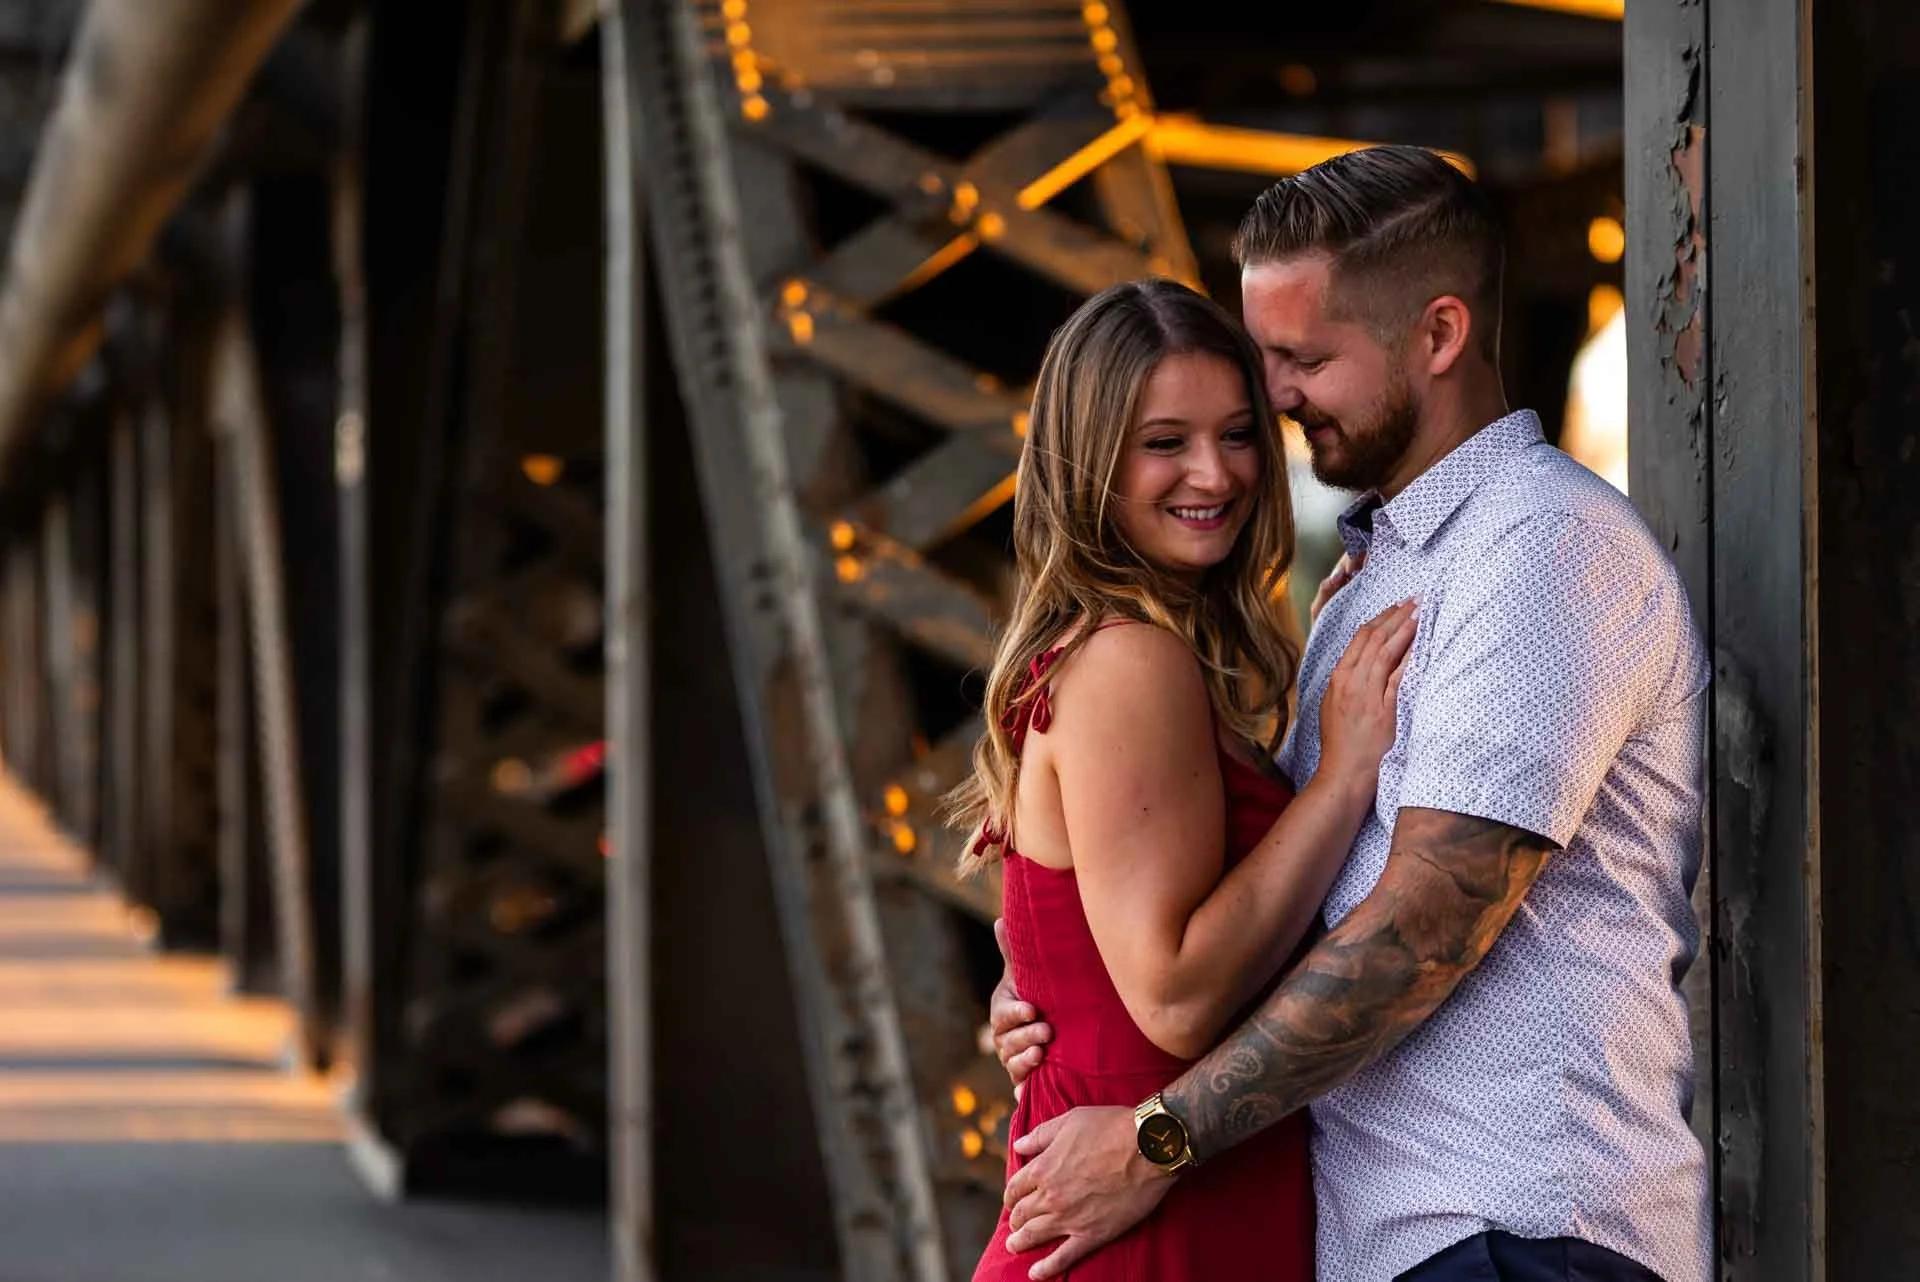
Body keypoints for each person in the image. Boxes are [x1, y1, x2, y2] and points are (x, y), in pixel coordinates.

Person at [989, 145, 1712, 1282]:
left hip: (1513, 1228)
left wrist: (1158, 1134)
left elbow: (1425, 925)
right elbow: (1237, 902)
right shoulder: (1375, 581)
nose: (1273, 401)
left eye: (1303, 359)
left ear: (1437, 336)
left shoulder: (1539, 551)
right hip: (1397, 1240)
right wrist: (1055, 976)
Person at [945, 276, 1418, 1281]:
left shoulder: (1133, 654)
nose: (1216, 471)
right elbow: (1173, 997)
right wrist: (1340, 783)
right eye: (1165, 442)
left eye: (1239, 433)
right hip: (1155, 1233)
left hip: (1180, 1209)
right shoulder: (1131, 662)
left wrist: (1034, 977)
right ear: (1091, 459)